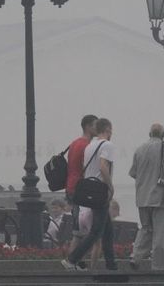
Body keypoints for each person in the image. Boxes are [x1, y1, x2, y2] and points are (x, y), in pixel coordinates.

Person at [62, 118, 117, 271]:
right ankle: (72, 259)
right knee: (96, 230)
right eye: (111, 130)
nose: (112, 133)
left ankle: (111, 265)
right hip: (101, 192)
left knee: (108, 230)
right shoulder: (108, 145)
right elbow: (103, 167)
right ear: (107, 129)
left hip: (90, 191)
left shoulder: (90, 146)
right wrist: (110, 187)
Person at [128, 123, 164, 271]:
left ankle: (135, 256)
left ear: (150, 134)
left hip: (142, 198)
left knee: (145, 229)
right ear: (163, 135)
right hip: (160, 198)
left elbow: (134, 173)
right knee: (160, 233)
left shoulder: (139, 150)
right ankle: (158, 267)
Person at [65, 114, 98, 265]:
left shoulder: (74, 143)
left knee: (78, 229)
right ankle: (73, 263)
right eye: (95, 125)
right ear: (88, 127)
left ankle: (75, 262)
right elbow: (88, 169)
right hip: (81, 190)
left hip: (71, 186)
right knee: (80, 232)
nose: (97, 128)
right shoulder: (87, 146)